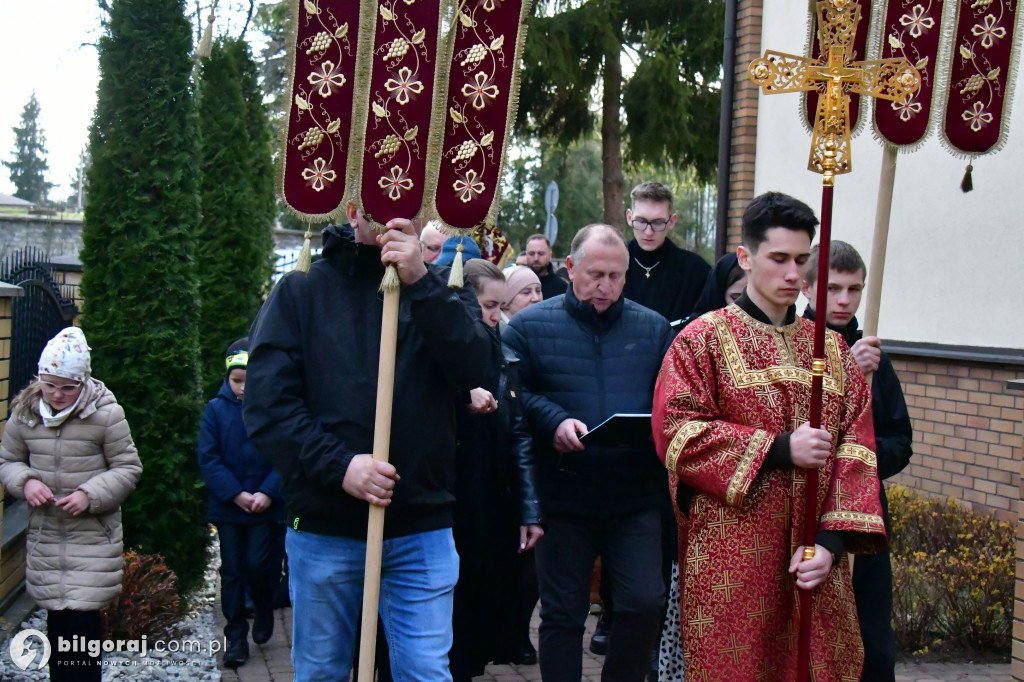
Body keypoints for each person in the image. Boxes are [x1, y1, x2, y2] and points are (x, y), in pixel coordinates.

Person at [243, 204, 499, 681]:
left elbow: (476, 369)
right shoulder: (302, 291)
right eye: (378, 204)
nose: (392, 218)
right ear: (354, 210)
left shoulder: (446, 293)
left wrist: (421, 282)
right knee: (322, 671)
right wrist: (341, 467)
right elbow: (267, 408)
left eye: (408, 206)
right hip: (325, 527)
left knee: (424, 671)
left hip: (420, 525)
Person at [651, 192, 887, 680]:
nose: (792, 274)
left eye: (802, 260)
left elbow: (857, 451)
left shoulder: (834, 350)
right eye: (778, 258)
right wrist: (781, 449)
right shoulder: (702, 340)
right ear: (746, 257)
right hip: (732, 562)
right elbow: (677, 435)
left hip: (816, 563)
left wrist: (831, 544)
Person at [504, 224, 672, 681]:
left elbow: (670, 399)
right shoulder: (527, 327)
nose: (607, 286)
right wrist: (552, 419)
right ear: (571, 268)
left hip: (633, 497)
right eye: (596, 274)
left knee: (643, 602)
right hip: (564, 495)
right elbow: (514, 397)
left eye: (617, 276)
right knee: (562, 615)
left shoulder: (653, 328)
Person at [0, 327, 142, 682]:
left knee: (81, 631)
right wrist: (27, 481)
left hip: (91, 538)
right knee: (58, 629)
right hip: (47, 536)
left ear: (83, 381)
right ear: (39, 379)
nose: (58, 395)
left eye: (68, 387)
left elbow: (128, 467)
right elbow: (8, 461)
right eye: (50, 385)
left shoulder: (106, 414)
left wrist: (90, 495)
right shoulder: (24, 413)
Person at [802, 240, 913, 682]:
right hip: (808, 519)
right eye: (833, 288)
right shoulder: (793, 346)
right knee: (814, 647)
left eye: (855, 289)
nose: (845, 300)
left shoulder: (873, 356)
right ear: (808, 289)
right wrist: (845, 366)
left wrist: (862, 459)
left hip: (864, 522)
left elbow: (899, 440)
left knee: (874, 652)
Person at [449, 258, 544, 679]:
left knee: (482, 605)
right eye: (489, 305)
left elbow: (519, 433)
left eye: (499, 306)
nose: (495, 316)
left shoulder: (504, 354)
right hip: (450, 500)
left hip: (492, 501)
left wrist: (528, 508)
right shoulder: (443, 353)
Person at [198, 338, 286, 668]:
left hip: (266, 507)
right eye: (237, 381)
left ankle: (264, 608)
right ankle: (235, 637)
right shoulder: (215, 411)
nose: (243, 388)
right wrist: (236, 493)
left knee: (260, 566)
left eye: (250, 380)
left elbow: (285, 452)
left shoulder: (274, 410)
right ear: (227, 378)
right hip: (229, 508)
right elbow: (209, 458)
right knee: (233, 572)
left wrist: (267, 492)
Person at [622, 181, 711, 324]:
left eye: (658, 223)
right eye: (641, 221)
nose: (648, 232)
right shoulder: (611, 266)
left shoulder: (696, 272)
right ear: (629, 218)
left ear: (672, 221)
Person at [523, 234, 568, 299]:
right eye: (531, 254)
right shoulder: (517, 284)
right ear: (526, 255)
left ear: (550, 255)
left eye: (541, 254)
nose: (536, 258)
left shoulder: (562, 288)